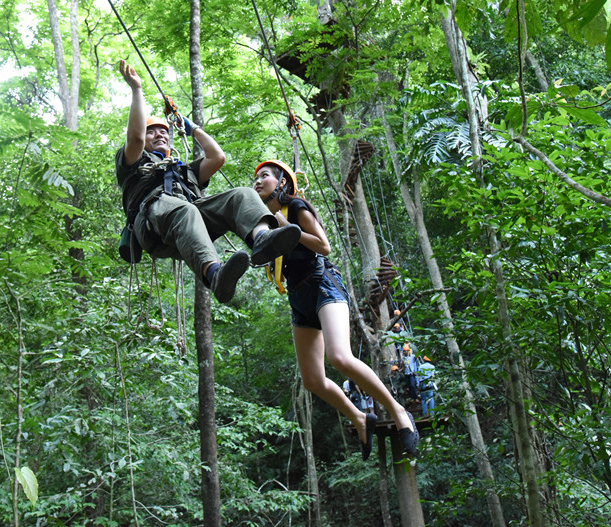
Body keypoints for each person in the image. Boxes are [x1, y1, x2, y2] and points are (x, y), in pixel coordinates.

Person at [253, 159, 419, 459]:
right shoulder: (263, 220)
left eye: (264, 176)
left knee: (340, 356)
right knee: (312, 380)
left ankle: (399, 412)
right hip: (298, 296)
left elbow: (324, 246)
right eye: (256, 178)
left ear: (282, 184)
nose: (258, 181)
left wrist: (286, 228)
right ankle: (358, 417)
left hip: (322, 283)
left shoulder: (297, 208)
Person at [116, 61, 301, 303]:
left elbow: (217, 158)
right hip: (154, 225)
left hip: (190, 224)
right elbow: (137, 137)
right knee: (186, 210)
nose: (160, 134)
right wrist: (137, 90)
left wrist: (193, 129)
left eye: (164, 132)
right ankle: (215, 275)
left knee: (242, 195)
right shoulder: (133, 163)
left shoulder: (183, 170)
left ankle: (262, 239)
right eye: (153, 132)